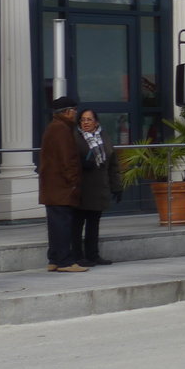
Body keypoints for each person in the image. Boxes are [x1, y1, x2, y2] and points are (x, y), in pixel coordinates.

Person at [38, 96, 87, 272]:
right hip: (62, 188)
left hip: (52, 187)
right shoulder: (62, 130)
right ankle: (65, 261)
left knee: (55, 225)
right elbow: (68, 160)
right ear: (67, 112)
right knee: (64, 225)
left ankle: (54, 259)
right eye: (74, 110)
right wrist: (74, 182)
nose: (75, 114)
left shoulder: (53, 127)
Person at [73, 108, 123, 266]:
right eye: (83, 120)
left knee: (93, 224)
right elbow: (68, 161)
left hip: (99, 188)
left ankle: (93, 255)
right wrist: (81, 165)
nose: (86, 122)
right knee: (77, 224)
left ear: (96, 122)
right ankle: (77, 256)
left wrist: (116, 186)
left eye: (89, 119)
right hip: (81, 188)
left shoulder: (104, 137)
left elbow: (112, 164)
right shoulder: (75, 137)